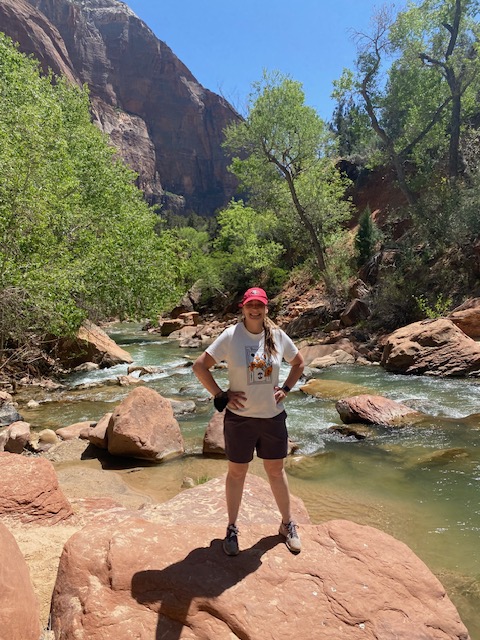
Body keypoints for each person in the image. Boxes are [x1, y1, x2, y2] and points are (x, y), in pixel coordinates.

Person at [192, 287, 305, 556]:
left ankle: (287, 525)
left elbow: (299, 363)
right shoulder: (231, 336)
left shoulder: (277, 335)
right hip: (240, 420)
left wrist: (286, 389)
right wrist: (220, 395)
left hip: (272, 417)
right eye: (250, 305)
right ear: (243, 307)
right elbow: (200, 366)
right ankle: (231, 528)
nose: (255, 310)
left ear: (266, 308)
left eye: (260, 305)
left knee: (276, 471)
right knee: (237, 473)